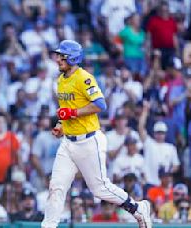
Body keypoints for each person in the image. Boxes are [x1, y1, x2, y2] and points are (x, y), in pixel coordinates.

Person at [41, 40, 151, 228]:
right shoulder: (60, 80)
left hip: (89, 141)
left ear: (73, 58)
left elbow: (101, 104)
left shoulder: (84, 78)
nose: (58, 59)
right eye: (58, 55)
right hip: (68, 142)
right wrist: (61, 124)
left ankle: (138, 208)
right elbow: (65, 110)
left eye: (62, 56)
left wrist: (73, 113)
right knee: (56, 187)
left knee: (100, 189)